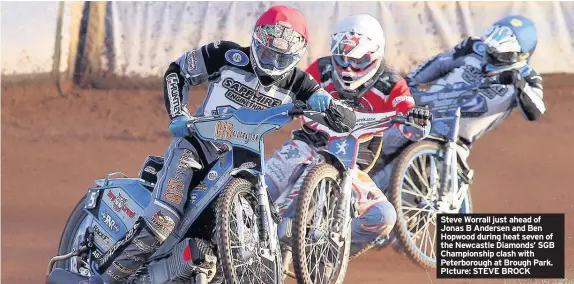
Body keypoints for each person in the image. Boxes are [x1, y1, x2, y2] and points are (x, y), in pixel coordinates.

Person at [87, 5, 357, 284]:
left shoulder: (301, 82)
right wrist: (179, 113)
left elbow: (347, 121)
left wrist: (329, 105)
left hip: (246, 160)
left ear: (296, 56)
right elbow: (177, 70)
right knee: (163, 220)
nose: (272, 63)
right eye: (266, 53)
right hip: (197, 147)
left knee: (226, 248)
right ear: (255, 41)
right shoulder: (227, 55)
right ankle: (100, 278)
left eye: (281, 58)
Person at [369, 15, 546, 253]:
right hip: (423, 114)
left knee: (415, 191)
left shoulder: (527, 76)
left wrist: (518, 81)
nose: (491, 56)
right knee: (379, 147)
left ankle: (401, 229)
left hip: (458, 141)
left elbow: (534, 111)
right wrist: (409, 83)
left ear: (520, 56)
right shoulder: (473, 47)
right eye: (491, 48)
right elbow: (440, 63)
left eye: (500, 54)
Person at [266, 14, 432, 259]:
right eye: (342, 59)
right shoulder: (321, 69)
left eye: (358, 61)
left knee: (383, 217)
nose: (348, 68)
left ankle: (325, 255)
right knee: (261, 187)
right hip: (307, 144)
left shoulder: (391, 84)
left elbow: (409, 116)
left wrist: (416, 120)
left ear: (375, 55)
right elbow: (290, 92)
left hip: (351, 163)